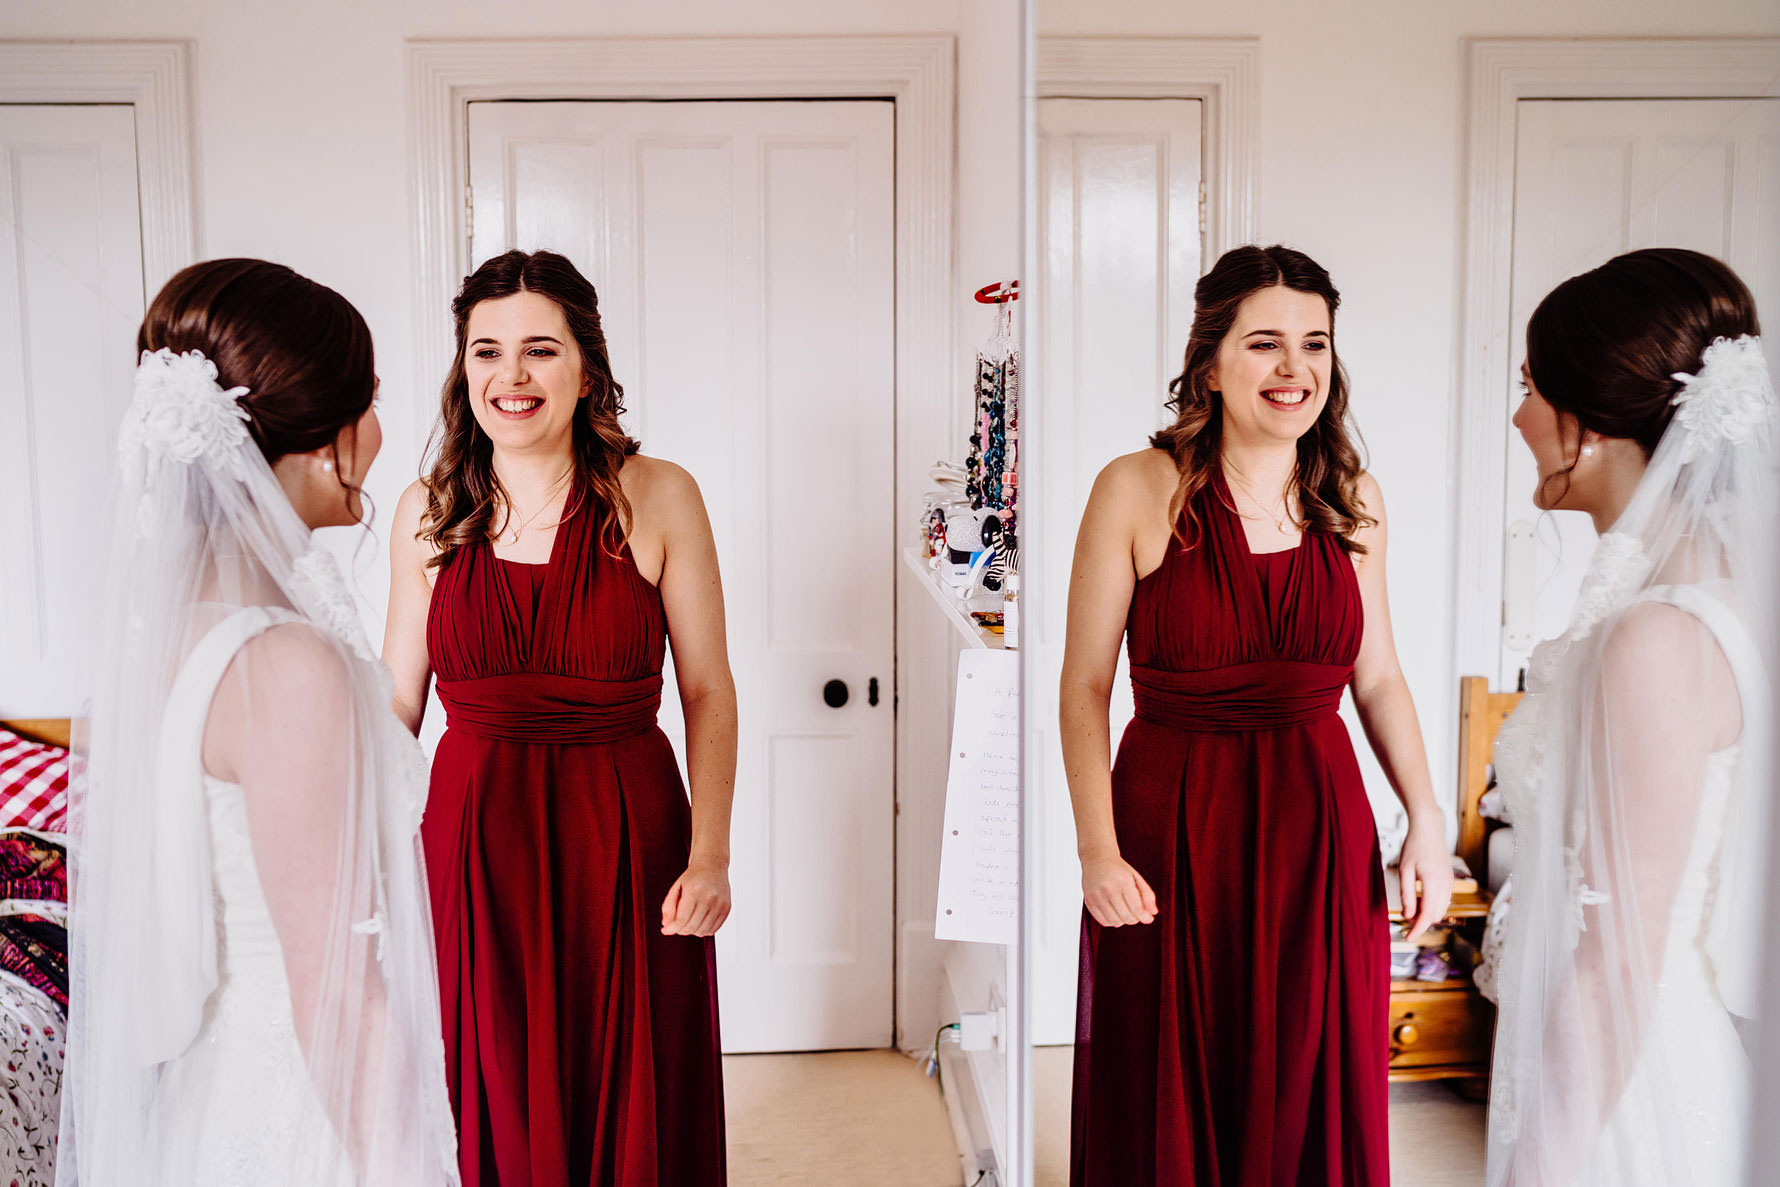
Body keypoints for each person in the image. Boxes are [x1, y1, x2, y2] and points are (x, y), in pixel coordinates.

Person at [60, 259, 459, 1185]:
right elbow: (337, 992)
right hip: (297, 1110)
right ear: (328, 441)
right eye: (371, 402)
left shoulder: (165, 632)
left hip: (209, 1090)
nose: (382, 431)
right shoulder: (286, 665)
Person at [1060, 244, 1451, 1185]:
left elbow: (1381, 677)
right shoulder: (1134, 488)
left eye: (1313, 344)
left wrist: (1426, 821)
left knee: (1307, 1072)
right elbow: (1082, 687)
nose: (1294, 370)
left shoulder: (1352, 501)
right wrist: (1097, 849)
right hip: (1171, 822)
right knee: (1168, 1069)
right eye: (1266, 342)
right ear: (1211, 364)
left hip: (1319, 831)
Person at [384, 250, 734, 1185]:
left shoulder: (659, 494)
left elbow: (707, 689)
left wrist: (711, 855)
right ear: (464, 370)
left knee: (629, 1066)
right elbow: (396, 700)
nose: (513, 376)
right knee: (481, 1068)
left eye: (540, 349)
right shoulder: (428, 509)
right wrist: (360, 857)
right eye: (487, 351)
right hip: (470, 835)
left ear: (587, 366)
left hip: (624, 828)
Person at [1485, 248, 1776, 1186]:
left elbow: (1615, 960)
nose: (1518, 415)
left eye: (1531, 387)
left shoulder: (1655, 637)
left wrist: (1540, 1165)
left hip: (1633, 1092)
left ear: (1593, 430)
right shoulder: (1710, 597)